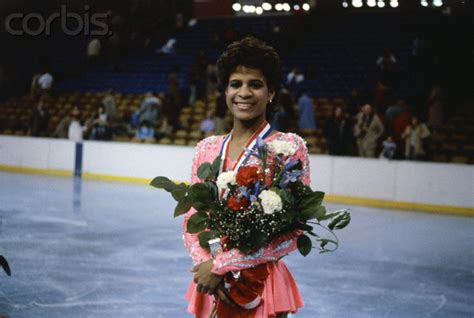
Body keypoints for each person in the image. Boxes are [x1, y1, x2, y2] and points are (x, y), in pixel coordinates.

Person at [185, 37, 309, 318]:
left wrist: (223, 266)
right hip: (215, 282)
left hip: (262, 284)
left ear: (272, 92)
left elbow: (293, 232)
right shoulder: (207, 149)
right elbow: (195, 219)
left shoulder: (288, 149)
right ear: (225, 90)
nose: (244, 92)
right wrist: (211, 262)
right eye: (235, 84)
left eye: (255, 84)